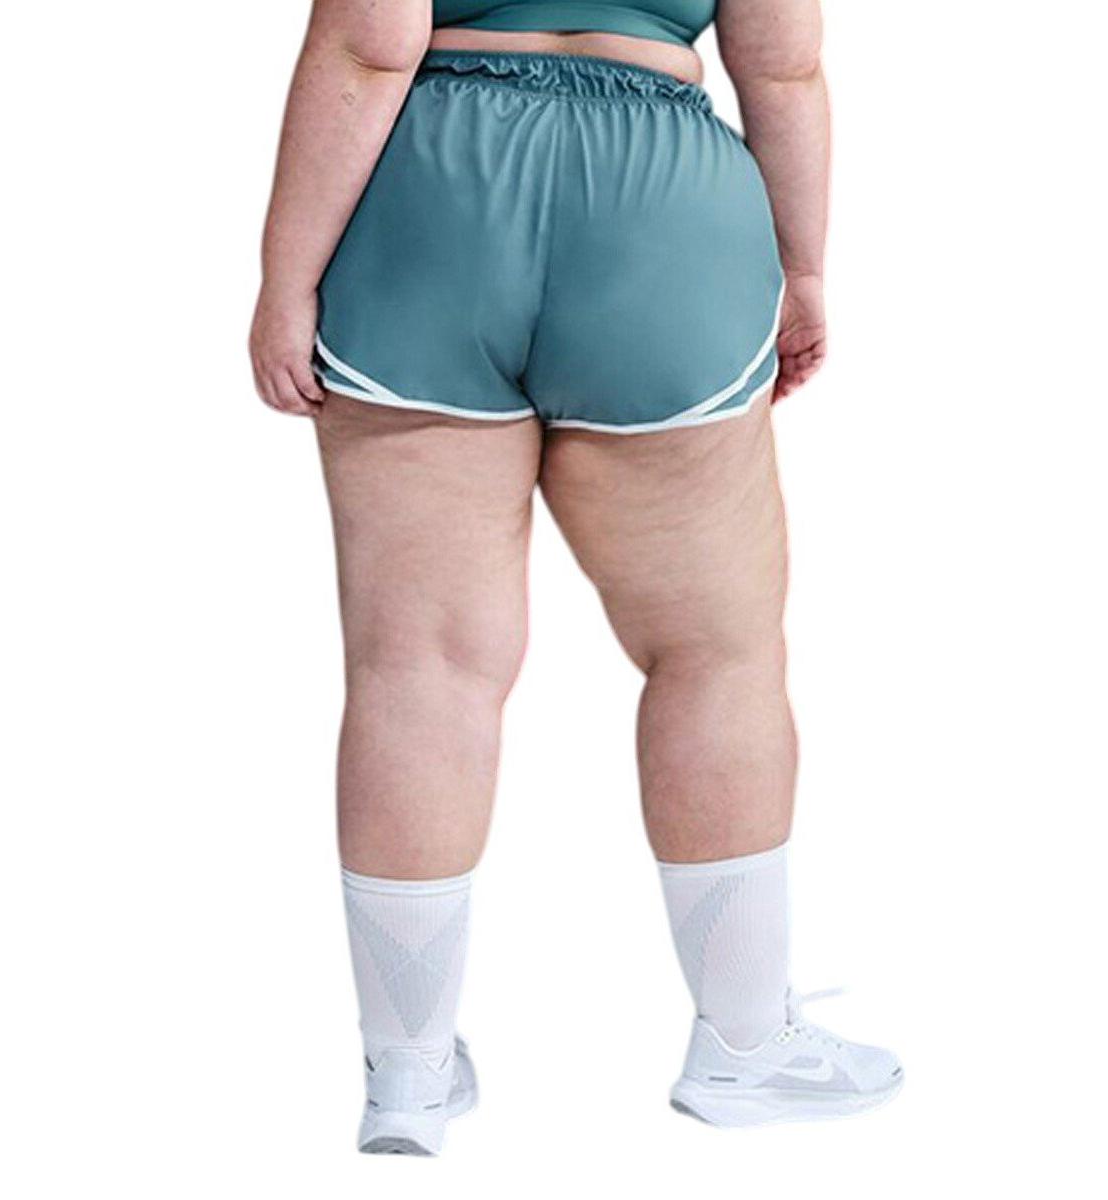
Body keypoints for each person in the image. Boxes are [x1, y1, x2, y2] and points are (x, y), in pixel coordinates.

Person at [250, 0, 901, 1155]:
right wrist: (802, 268)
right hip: (663, 217)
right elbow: (784, 66)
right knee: (714, 653)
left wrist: (285, 278)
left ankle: (407, 1072)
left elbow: (368, 40)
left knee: (419, 667)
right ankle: (745, 1043)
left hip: (429, 203)